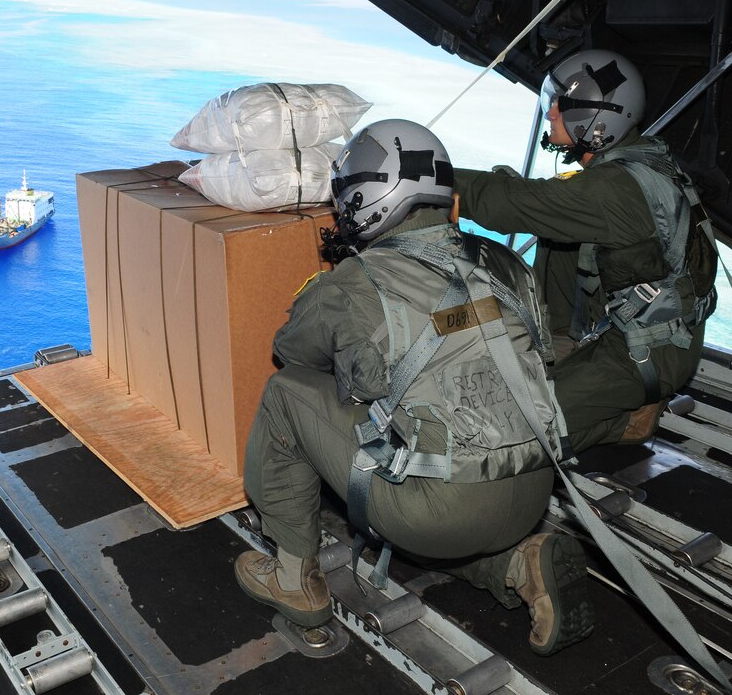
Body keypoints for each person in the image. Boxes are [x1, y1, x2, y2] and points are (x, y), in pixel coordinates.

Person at [235, 119, 594, 656]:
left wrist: (334, 301)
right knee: (427, 483)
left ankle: (292, 578)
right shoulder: (506, 263)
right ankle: (517, 563)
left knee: (286, 393)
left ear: (365, 199)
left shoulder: (358, 282)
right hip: (534, 491)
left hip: (440, 511)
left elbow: (293, 353)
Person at [454, 49, 718, 452]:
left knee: (504, 430)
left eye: (562, 105)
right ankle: (558, 341)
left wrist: (428, 180)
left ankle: (627, 422)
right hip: (640, 328)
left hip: (643, 352)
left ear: (597, 120)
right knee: (555, 232)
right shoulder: (641, 160)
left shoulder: (614, 190)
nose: (550, 113)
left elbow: (513, 203)